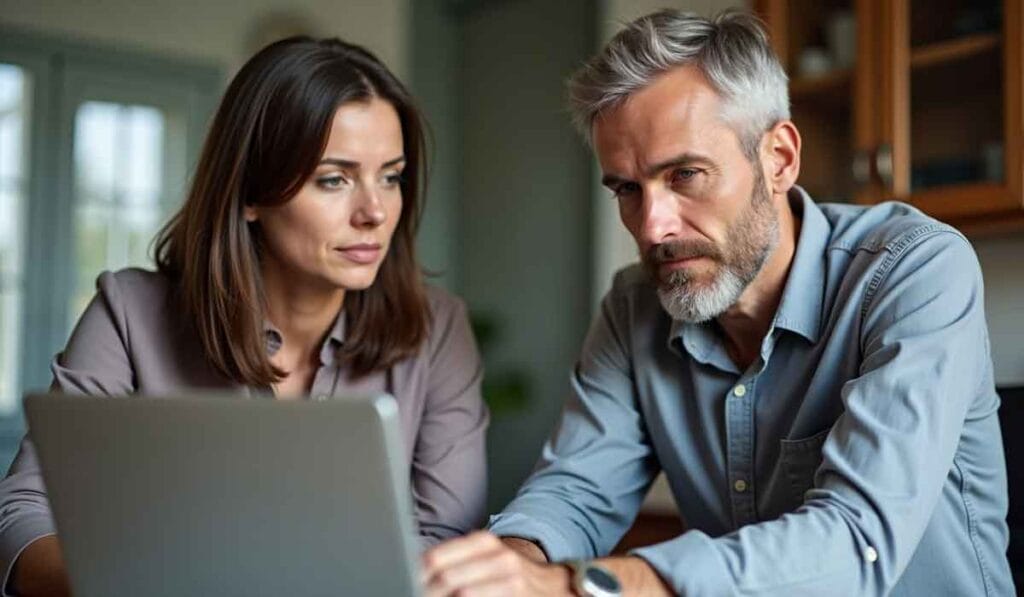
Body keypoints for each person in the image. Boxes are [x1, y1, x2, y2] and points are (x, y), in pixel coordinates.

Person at [422, 9, 1013, 596]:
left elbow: (857, 540)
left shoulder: (915, 269)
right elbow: (575, 489)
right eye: (627, 188)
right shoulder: (634, 309)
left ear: (778, 159)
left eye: (685, 174)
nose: (652, 228)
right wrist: (510, 569)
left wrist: (595, 585)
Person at [0, 37, 488, 597]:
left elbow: (446, 541)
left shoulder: (439, 329)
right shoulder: (130, 314)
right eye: (334, 179)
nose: (375, 212)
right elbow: (21, 515)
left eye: (392, 176)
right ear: (251, 192)